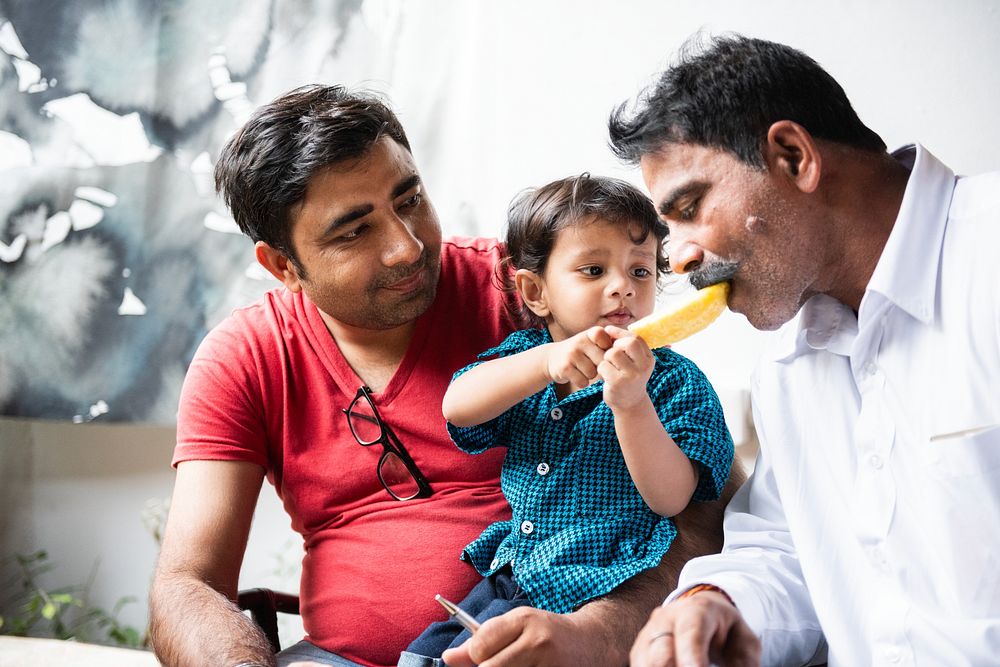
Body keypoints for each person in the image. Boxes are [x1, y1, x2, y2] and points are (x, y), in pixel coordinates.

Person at [148, 84, 746, 667]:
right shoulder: (245, 358)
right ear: (283, 265)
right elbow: (187, 585)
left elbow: (704, 503)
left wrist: (597, 635)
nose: (406, 248)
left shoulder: (531, 289)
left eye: (409, 200)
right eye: (355, 231)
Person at [609, 33, 1000, 667]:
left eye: (690, 207)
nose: (676, 258)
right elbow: (789, 546)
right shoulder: (790, 364)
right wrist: (714, 602)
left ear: (793, 156)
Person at [400, 175, 735, 666]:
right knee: (423, 656)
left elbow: (671, 497)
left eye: (640, 273)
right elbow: (458, 405)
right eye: (594, 270)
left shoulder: (673, 382)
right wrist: (544, 364)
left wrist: (631, 404)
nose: (622, 286)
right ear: (536, 292)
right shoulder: (526, 361)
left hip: (606, 584)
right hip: (513, 575)